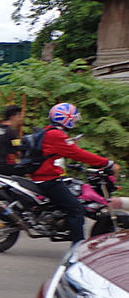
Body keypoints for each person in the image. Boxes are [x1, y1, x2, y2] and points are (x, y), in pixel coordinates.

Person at [32, 102, 121, 243]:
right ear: (66, 119)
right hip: (48, 180)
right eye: (73, 118)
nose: (75, 121)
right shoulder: (56, 135)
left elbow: (63, 151)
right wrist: (107, 163)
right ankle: (77, 248)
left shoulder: (49, 131)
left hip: (44, 177)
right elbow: (78, 154)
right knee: (77, 210)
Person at [0, 104, 24, 174]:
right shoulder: (11, 132)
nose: (20, 119)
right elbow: (19, 150)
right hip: (4, 167)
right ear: (13, 117)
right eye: (19, 116)